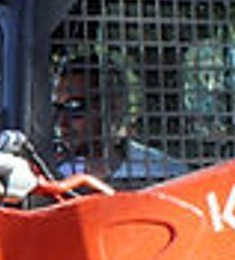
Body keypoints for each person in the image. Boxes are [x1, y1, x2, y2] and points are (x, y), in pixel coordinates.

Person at [52, 56, 183, 182]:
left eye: (75, 107)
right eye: (57, 109)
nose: (61, 123)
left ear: (114, 107)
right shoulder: (50, 174)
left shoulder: (162, 172)